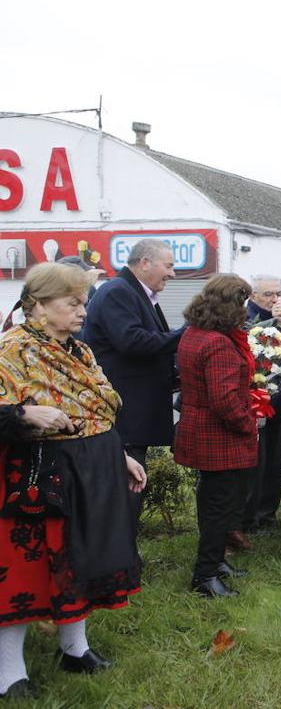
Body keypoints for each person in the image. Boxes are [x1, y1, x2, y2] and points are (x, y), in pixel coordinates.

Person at [0, 262, 146, 696]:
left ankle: (75, 648)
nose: (83, 311)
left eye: (83, 302)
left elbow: (96, 410)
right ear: (40, 306)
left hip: (93, 466)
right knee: (30, 571)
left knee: (82, 560)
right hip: (40, 475)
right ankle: (10, 673)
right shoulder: (13, 349)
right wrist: (23, 414)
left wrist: (119, 456)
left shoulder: (78, 350)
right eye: (73, 303)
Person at [175, 275, 262, 597]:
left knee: (212, 502)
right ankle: (206, 575)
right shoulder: (218, 343)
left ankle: (214, 563)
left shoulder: (195, 333)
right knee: (219, 506)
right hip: (219, 436)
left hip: (199, 428)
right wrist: (248, 424)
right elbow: (224, 399)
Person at [79, 238, 181, 502]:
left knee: (131, 495)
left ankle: (125, 543)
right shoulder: (119, 291)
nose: (172, 273)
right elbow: (133, 342)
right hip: (124, 417)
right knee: (125, 498)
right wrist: (185, 334)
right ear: (145, 263)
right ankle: (120, 544)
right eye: (168, 265)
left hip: (134, 416)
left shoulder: (136, 292)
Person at [243, 274, 281, 531]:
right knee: (256, 466)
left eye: (279, 294)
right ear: (253, 296)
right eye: (269, 295)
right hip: (255, 404)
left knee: (276, 462)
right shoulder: (246, 320)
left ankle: (268, 514)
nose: (276, 299)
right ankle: (250, 519)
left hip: (280, 404)